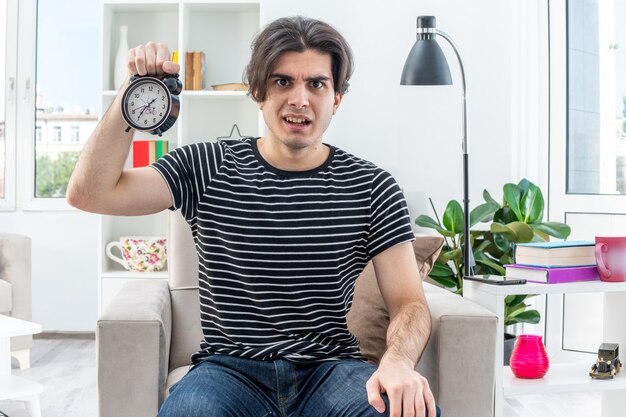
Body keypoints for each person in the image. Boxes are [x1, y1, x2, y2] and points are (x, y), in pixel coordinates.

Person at [67, 16, 440, 417]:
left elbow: (409, 304)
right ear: (258, 92)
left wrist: (397, 362)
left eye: (316, 84)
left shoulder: (371, 186)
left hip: (332, 372)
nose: (300, 99)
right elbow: (89, 193)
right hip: (228, 372)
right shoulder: (206, 165)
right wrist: (132, 94)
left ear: (336, 99)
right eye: (283, 82)